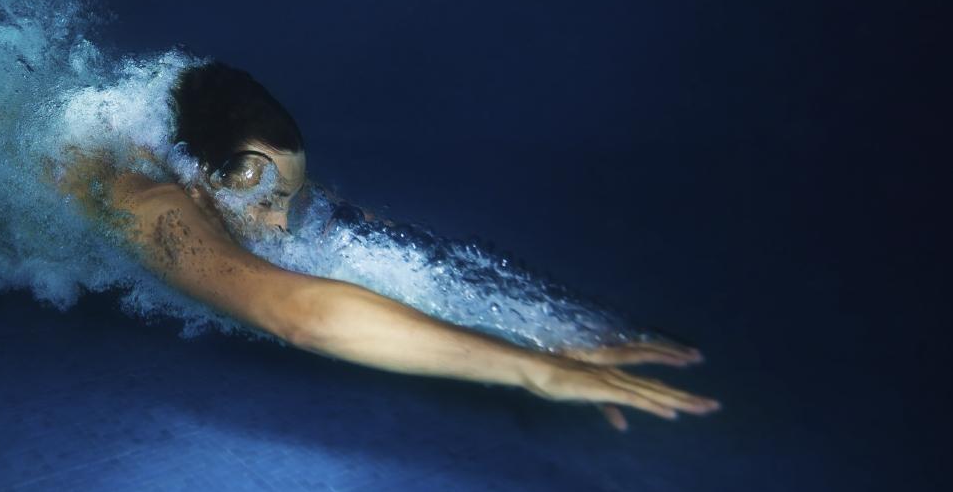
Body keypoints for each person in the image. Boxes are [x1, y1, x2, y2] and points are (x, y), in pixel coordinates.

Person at [58, 61, 719, 431]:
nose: (279, 224)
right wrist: (531, 370)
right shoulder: (148, 204)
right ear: (192, 171)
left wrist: (546, 332)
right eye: (263, 195)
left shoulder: (217, 179)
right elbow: (301, 315)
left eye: (288, 197)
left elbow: (373, 252)